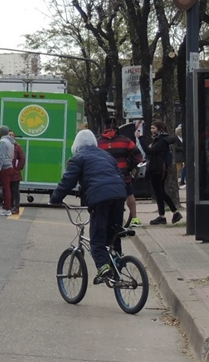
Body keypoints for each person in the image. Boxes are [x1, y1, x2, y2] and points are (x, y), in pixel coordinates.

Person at [50, 129, 128, 283]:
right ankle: (118, 262)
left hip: (100, 197)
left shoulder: (78, 158)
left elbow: (68, 181)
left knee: (97, 238)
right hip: (119, 194)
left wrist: (55, 198)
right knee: (114, 232)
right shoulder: (106, 155)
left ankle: (103, 267)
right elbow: (117, 174)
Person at [97, 119, 143, 228]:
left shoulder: (98, 142)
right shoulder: (125, 141)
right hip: (122, 175)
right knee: (129, 195)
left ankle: (105, 219)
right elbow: (138, 156)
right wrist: (129, 167)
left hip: (104, 176)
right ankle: (134, 218)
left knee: (105, 197)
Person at [141, 120, 182, 225]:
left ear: (159, 129)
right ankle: (170, 213)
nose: (151, 130)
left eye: (153, 128)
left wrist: (140, 139)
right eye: (151, 128)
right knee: (160, 192)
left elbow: (150, 151)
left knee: (160, 192)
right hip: (158, 168)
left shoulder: (161, 141)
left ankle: (166, 215)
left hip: (158, 169)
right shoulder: (159, 140)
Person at [0, 126, 16, 217]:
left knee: (6, 188)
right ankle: (7, 207)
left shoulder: (3, 142)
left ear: (0, 132)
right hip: (9, 166)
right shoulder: (11, 142)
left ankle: (6, 208)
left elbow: (1, 156)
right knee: (7, 188)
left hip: (5, 167)